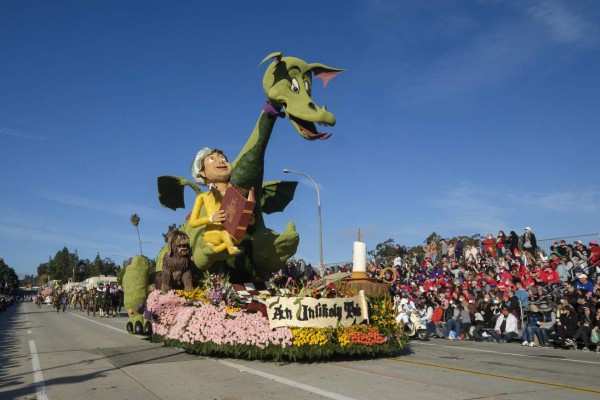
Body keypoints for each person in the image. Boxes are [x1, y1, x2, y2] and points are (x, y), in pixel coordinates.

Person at [189, 148, 253, 255]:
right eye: (212, 159)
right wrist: (211, 218)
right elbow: (192, 222)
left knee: (238, 237)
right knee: (224, 234)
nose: (221, 161)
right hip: (213, 234)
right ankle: (225, 247)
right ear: (203, 173)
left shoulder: (236, 193)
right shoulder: (203, 197)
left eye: (222, 158)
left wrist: (249, 218)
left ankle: (216, 249)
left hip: (233, 233)